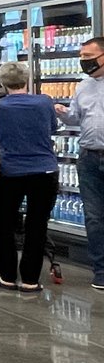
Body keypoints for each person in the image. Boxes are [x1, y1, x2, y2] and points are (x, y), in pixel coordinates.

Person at [0, 61, 60, 293]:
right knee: (37, 225)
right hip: (44, 170)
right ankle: (30, 280)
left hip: (11, 171)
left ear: (2, 83)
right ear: (27, 80)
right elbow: (52, 127)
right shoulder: (44, 102)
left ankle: (7, 277)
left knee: (5, 224)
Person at [58, 36, 104, 290]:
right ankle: (101, 272)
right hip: (89, 157)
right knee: (94, 217)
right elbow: (75, 118)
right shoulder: (83, 86)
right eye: (82, 57)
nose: (83, 62)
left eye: (89, 57)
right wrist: (63, 114)